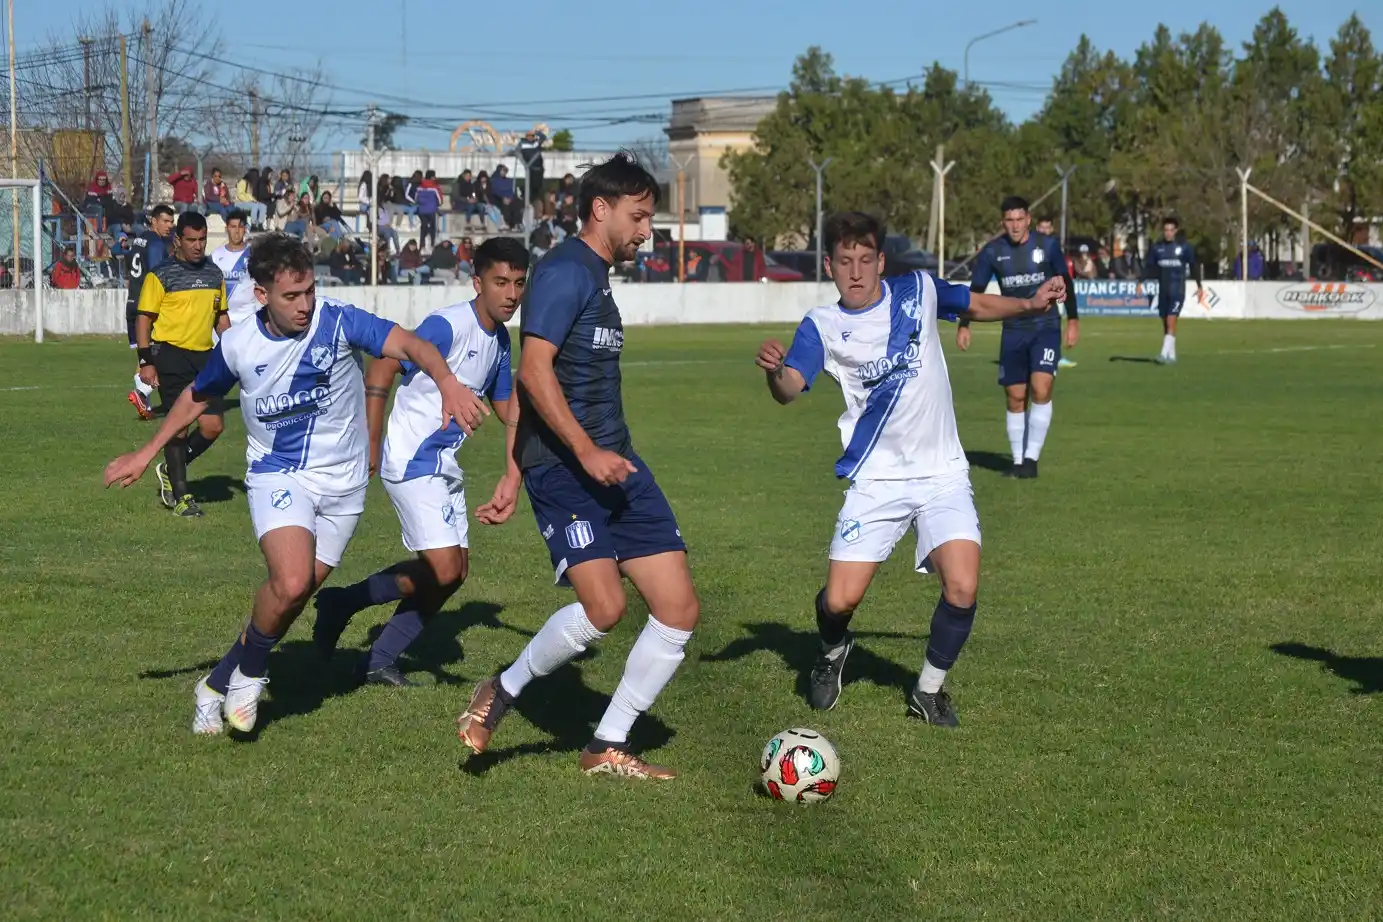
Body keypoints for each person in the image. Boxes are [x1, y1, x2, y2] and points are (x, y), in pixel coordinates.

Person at [102, 233, 490, 735]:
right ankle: (253, 673)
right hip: (279, 474)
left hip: (345, 486)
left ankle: (215, 685)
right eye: (291, 295)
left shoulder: (336, 318)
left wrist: (449, 383)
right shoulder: (240, 344)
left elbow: (410, 343)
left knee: (296, 595)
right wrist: (146, 451)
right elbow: (197, 397)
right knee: (288, 583)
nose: (305, 304)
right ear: (261, 295)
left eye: (308, 290)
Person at [754, 211, 1065, 726]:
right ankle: (832, 652)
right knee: (838, 601)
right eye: (845, 262)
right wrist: (775, 373)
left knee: (963, 586)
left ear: (881, 261)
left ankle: (927, 690)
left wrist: (1030, 303)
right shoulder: (822, 325)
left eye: (866, 260)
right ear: (829, 265)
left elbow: (976, 302)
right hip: (876, 481)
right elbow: (790, 390)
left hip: (942, 474)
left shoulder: (918, 290)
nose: (856, 272)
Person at [454, 153, 699, 780]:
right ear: (601, 209)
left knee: (677, 610)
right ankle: (502, 691)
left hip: (617, 463)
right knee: (605, 609)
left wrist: (513, 467)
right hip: (567, 470)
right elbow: (532, 373)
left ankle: (605, 744)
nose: (647, 229)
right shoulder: (566, 272)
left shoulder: (596, 275)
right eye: (639, 216)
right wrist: (560, 459)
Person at [312, 237, 528, 685]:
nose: (510, 293)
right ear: (478, 283)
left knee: (453, 575)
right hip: (412, 456)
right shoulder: (448, 326)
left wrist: (548, 415)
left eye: (519, 283)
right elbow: (381, 368)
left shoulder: (501, 341)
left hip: (444, 461)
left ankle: (374, 658)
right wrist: (371, 443)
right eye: (500, 282)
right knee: (444, 568)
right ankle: (346, 602)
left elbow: (508, 411)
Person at [957, 196, 1078, 478]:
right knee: (1015, 396)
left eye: (1019, 219)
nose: (1014, 225)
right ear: (1003, 222)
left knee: (1042, 387)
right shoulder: (992, 252)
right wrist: (965, 325)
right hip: (1013, 328)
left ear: (1028, 220)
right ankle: (1017, 460)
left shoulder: (1047, 246)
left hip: (1045, 326)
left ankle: (1031, 460)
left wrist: (1073, 319)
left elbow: (1065, 280)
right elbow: (975, 291)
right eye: (1009, 220)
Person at [133, 211, 229, 517]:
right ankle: (182, 497)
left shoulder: (215, 275)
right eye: (192, 240)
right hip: (170, 355)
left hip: (205, 357)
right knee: (179, 429)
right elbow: (144, 319)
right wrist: (146, 361)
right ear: (178, 240)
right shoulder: (160, 275)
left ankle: (171, 468)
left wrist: (233, 349)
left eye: (202, 239)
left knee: (213, 426)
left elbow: (220, 318)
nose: (198, 246)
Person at [125, 204, 177, 420]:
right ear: (153, 221)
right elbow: (158, 275)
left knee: (144, 353)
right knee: (160, 352)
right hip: (148, 306)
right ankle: (142, 392)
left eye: (171, 222)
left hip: (132, 301)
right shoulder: (156, 243)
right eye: (165, 221)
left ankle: (143, 401)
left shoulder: (138, 240)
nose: (169, 226)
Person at [1138, 216, 1200, 364]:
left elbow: (1193, 266)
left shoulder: (1184, 248)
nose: (1168, 233)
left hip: (1178, 290)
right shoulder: (1157, 248)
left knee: (1171, 321)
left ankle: (1163, 354)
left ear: (1176, 231)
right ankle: (1172, 356)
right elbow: (1149, 267)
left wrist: (1199, 286)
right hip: (1164, 291)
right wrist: (1140, 282)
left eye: (1171, 230)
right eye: (1166, 230)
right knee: (1166, 323)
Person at [210, 209, 258, 326]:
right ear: (227, 229)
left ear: (245, 229)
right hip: (223, 320)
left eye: (240, 227)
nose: (237, 231)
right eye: (233, 227)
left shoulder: (254, 255)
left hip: (249, 320)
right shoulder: (215, 256)